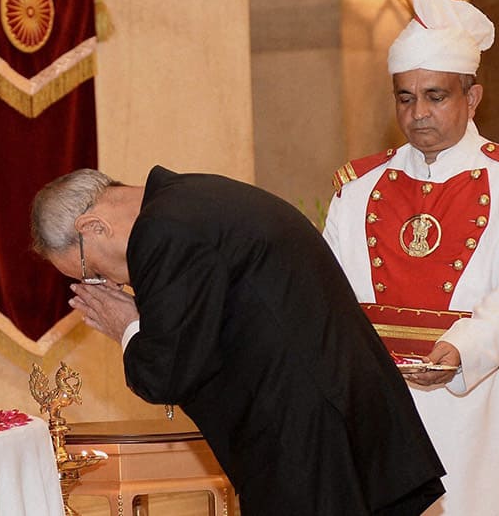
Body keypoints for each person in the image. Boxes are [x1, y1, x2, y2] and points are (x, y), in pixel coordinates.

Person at [31, 166, 446, 515]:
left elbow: (167, 374)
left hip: (308, 443)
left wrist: (127, 326)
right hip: (336, 425)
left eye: (87, 271)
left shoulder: (163, 230)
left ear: (93, 226)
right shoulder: (191, 199)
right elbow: (208, 334)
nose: (101, 283)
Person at [323, 0, 499, 515]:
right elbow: (327, 293)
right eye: (405, 98)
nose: (418, 113)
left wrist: (460, 350)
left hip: (483, 404)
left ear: (472, 97)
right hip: (382, 406)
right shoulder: (356, 187)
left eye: (435, 96)